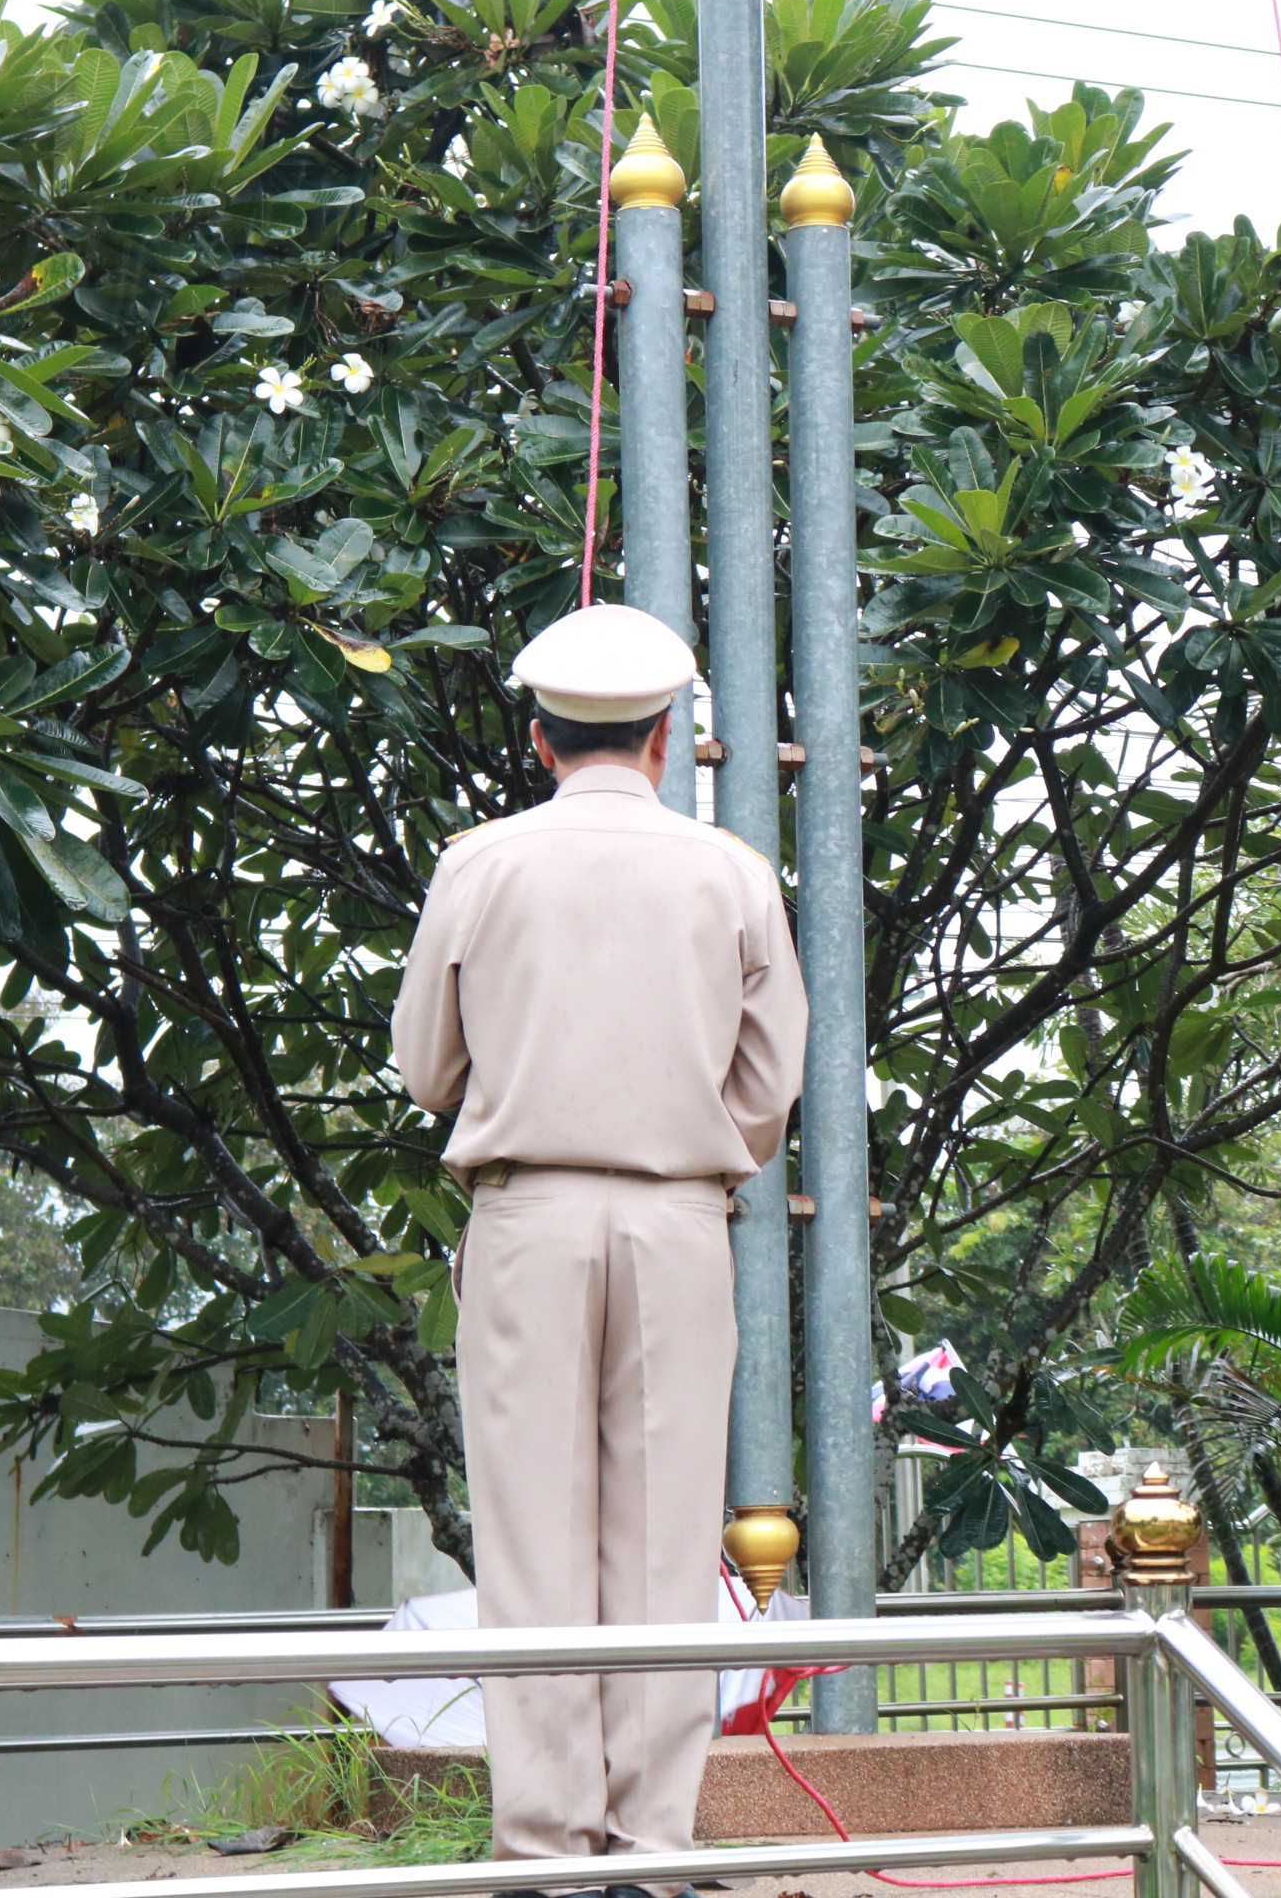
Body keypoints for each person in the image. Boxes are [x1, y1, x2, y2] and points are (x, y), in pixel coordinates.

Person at [391, 602, 807, 1895]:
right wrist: (685, 1146)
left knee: (534, 1543)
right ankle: (652, 1850)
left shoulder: (478, 865)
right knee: (666, 1541)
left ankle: (546, 1850)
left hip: (528, 1218)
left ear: (539, 739)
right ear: (666, 735)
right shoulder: (731, 873)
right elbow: (768, 1089)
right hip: (680, 1221)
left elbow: (425, 1068)